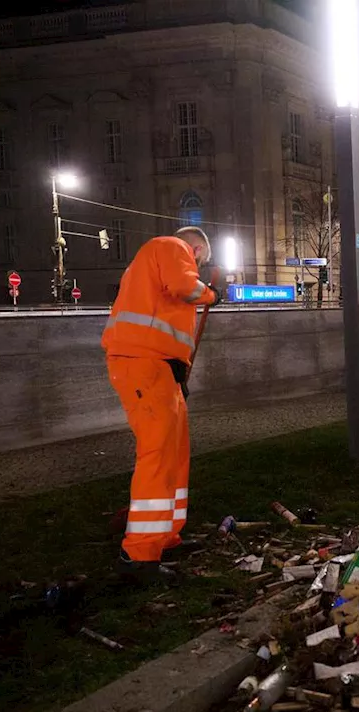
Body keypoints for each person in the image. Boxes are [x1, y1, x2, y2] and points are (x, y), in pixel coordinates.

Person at [102, 226, 223, 582]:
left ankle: (166, 535)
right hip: (144, 364)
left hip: (159, 368)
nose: (197, 265)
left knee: (173, 451)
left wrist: (176, 372)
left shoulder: (153, 260)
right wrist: (212, 294)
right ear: (197, 248)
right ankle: (139, 553)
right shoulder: (170, 246)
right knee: (157, 453)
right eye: (200, 260)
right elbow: (186, 288)